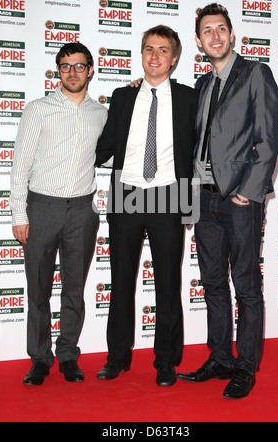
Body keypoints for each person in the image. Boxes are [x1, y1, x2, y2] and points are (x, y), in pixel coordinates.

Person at [177, 4, 278, 399]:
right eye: (207, 31)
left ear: (232, 34)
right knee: (213, 283)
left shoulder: (256, 74)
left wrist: (248, 192)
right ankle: (220, 358)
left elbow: (269, 139)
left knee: (246, 284)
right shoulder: (203, 85)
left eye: (222, 29)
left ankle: (246, 366)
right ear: (199, 40)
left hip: (239, 200)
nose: (215, 36)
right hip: (204, 201)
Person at [95, 25, 198, 386]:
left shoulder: (189, 98)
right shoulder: (122, 97)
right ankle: (117, 357)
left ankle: (166, 360)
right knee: (121, 279)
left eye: (163, 50)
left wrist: (192, 202)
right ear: (141, 55)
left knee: (168, 283)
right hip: (126, 193)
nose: (155, 56)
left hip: (169, 194)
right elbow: (103, 147)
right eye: (149, 49)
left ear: (174, 58)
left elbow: (197, 152)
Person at [10, 42, 107, 385]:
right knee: (38, 289)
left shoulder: (101, 114)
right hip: (41, 208)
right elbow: (19, 165)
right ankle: (39, 358)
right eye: (65, 67)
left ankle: (67, 355)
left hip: (82, 211)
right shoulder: (38, 109)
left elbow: (116, 149)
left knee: (74, 288)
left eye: (79, 66)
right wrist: (18, 214)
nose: (72, 72)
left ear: (90, 70)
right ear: (57, 71)